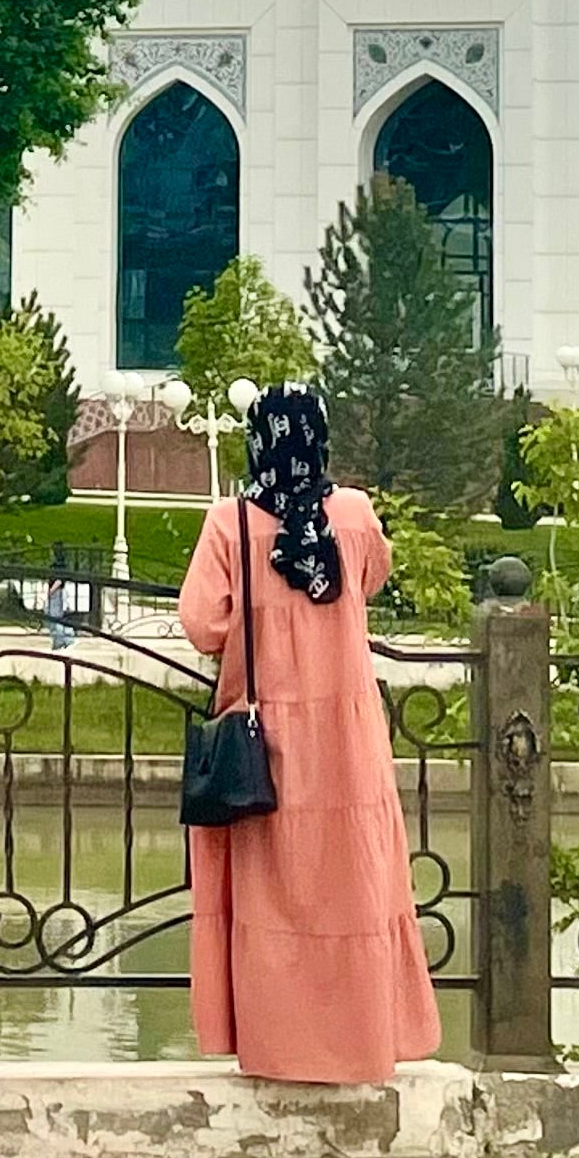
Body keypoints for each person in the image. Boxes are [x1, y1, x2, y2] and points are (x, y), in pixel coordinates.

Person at [176, 382, 438, 1085]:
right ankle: (358, 1041)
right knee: (352, 884)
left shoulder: (229, 521)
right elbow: (372, 577)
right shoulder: (352, 514)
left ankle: (279, 1047)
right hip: (347, 737)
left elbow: (203, 623)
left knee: (273, 892)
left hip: (267, 737)